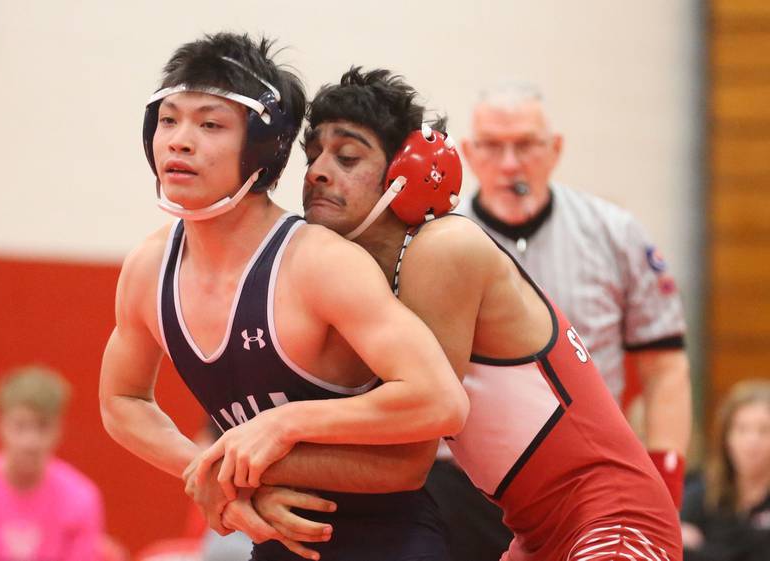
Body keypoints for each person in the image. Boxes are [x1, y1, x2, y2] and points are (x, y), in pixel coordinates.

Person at [196, 67, 683, 561]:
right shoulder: (362, 280)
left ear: (404, 175)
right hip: (536, 535)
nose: (319, 171)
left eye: (346, 157)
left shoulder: (443, 249)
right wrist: (246, 474)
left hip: (612, 517)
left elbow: (405, 455)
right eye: (313, 155)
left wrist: (266, 444)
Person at [98, 33, 468, 561]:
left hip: (386, 539)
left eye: (209, 124)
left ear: (263, 146)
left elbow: (442, 401)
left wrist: (283, 423)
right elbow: (122, 401)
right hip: (276, 538)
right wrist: (210, 476)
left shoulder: (317, 263)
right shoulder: (147, 269)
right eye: (168, 119)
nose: (179, 140)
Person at [415, 81, 693, 560]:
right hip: (460, 483)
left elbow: (665, 368)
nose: (509, 163)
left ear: (555, 149)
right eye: (491, 146)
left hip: (582, 482)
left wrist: (665, 480)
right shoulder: (433, 241)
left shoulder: (614, 233)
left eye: (524, 145)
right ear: (469, 154)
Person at [0, 365, 104, 561]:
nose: (30, 441)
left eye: (42, 426)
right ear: (0, 425)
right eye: (20, 426)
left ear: (59, 429)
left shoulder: (81, 497)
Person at [681, 380, 770, 561]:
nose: (752, 441)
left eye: (764, 430)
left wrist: (703, 549)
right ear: (726, 438)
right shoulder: (701, 494)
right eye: (742, 429)